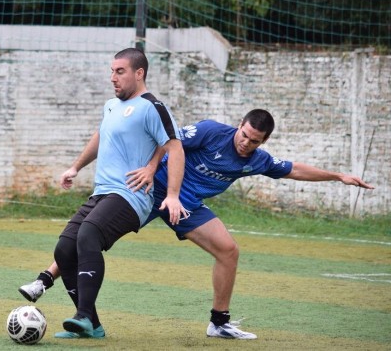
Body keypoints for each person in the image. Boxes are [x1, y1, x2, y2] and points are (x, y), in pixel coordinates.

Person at [20, 109, 374, 340]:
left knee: (229, 251)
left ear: (263, 141)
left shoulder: (257, 160)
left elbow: (294, 168)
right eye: (244, 134)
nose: (246, 142)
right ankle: (46, 277)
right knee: (92, 237)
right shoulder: (209, 132)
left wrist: (338, 176)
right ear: (239, 125)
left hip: (188, 207)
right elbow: (169, 143)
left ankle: (219, 322)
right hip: (154, 191)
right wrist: (150, 171)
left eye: (254, 140)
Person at [49, 47, 186, 340]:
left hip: (132, 195)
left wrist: (172, 195)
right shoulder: (111, 105)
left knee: (88, 236)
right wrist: (75, 167)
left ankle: (83, 316)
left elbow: (175, 147)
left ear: (139, 73)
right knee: (63, 250)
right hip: (102, 192)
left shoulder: (152, 107)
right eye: (111, 71)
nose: (113, 77)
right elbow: (101, 136)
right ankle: (93, 326)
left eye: (120, 71)